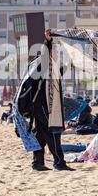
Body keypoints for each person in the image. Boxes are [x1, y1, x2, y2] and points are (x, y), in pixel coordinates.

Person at [30, 30, 74, 172]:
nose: (56, 54)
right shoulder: (42, 67)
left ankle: (37, 163)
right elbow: (44, 57)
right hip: (42, 107)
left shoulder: (53, 70)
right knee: (53, 132)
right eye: (53, 52)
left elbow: (61, 70)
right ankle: (59, 163)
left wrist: (70, 61)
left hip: (42, 107)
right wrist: (47, 42)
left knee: (40, 135)